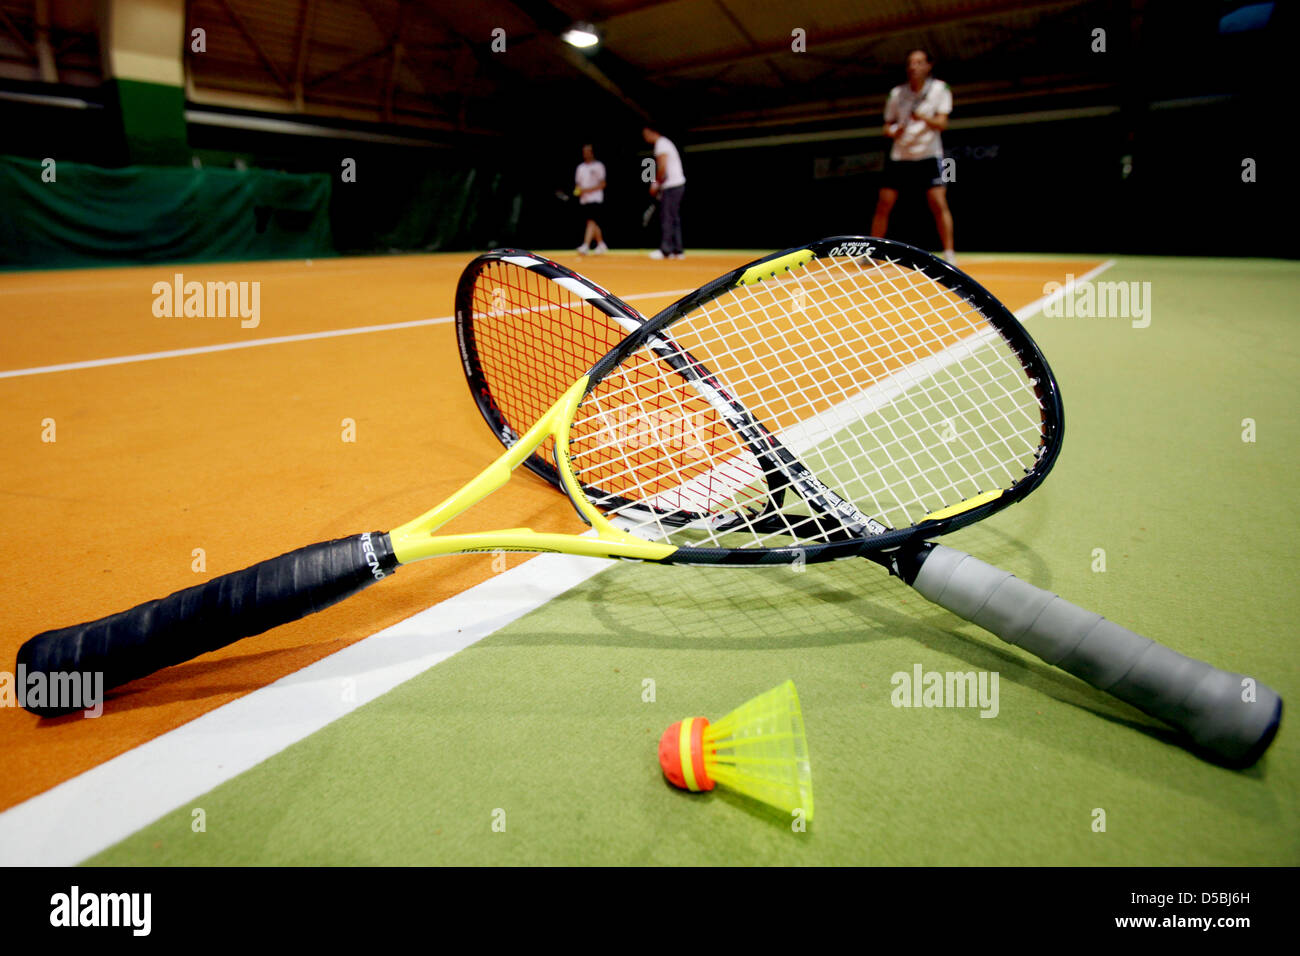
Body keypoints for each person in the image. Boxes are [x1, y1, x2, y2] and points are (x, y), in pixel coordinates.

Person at [872, 49, 957, 265]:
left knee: (938, 202)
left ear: (929, 66)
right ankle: (871, 251)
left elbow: (942, 123)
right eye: (910, 63)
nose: (913, 67)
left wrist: (923, 117)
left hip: (929, 154)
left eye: (919, 63)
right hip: (900, 155)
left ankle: (949, 252)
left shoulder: (941, 89)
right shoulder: (896, 93)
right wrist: (894, 131)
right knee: (884, 203)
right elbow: (886, 126)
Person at [642, 125, 685, 260]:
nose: (645, 138)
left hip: (671, 185)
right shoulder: (665, 143)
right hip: (677, 184)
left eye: (645, 134)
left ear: (652, 132)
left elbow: (662, 167)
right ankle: (677, 251)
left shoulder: (661, 144)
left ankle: (666, 250)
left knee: (667, 217)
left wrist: (655, 184)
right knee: (673, 217)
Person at [574, 144, 608, 255]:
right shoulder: (580, 167)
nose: (586, 153)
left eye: (588, 151)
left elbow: (602, 184)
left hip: (596, 198)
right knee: (592, 222)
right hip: (584, 200)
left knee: (591, 221)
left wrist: (587, 190)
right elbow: (578, 184)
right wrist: (578, 191)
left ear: (592, 152)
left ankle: (586, 245)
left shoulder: (599, 166)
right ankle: (601, 244)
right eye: (584, 151)